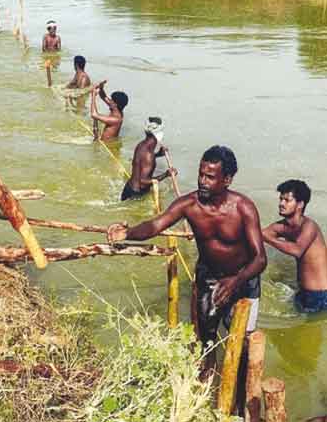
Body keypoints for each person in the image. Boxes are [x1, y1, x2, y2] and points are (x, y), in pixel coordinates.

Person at [108, 146, 267, 395]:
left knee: (244, 346)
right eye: (201, 174)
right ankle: (205, 382)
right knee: (207, 338)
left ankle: (238, 395)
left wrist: (235, 281)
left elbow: (260, 259)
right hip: (210, 278)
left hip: (245, 279)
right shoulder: (189, 205)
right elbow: (156, 224)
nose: (203, 181)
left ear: (227, 180)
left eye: (210, 177)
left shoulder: (243, 208)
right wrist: (126, 233)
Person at [263, 180, 327, 313]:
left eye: (287, 200)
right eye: (281, 199)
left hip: (321, 295)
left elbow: (297, 250)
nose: (281, 203)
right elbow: (258, 235)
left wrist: (268, 238)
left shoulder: (309, 226)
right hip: (302, 293)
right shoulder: (282, 227)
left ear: (300, 204)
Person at [121, 118, 176, 200]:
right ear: (158, 134)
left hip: (128, 188)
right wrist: (166, 174)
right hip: (135, 194)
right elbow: (142, 182)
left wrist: (158, 154)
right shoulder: (149, 155)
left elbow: (143, 161)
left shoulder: (141, 145)